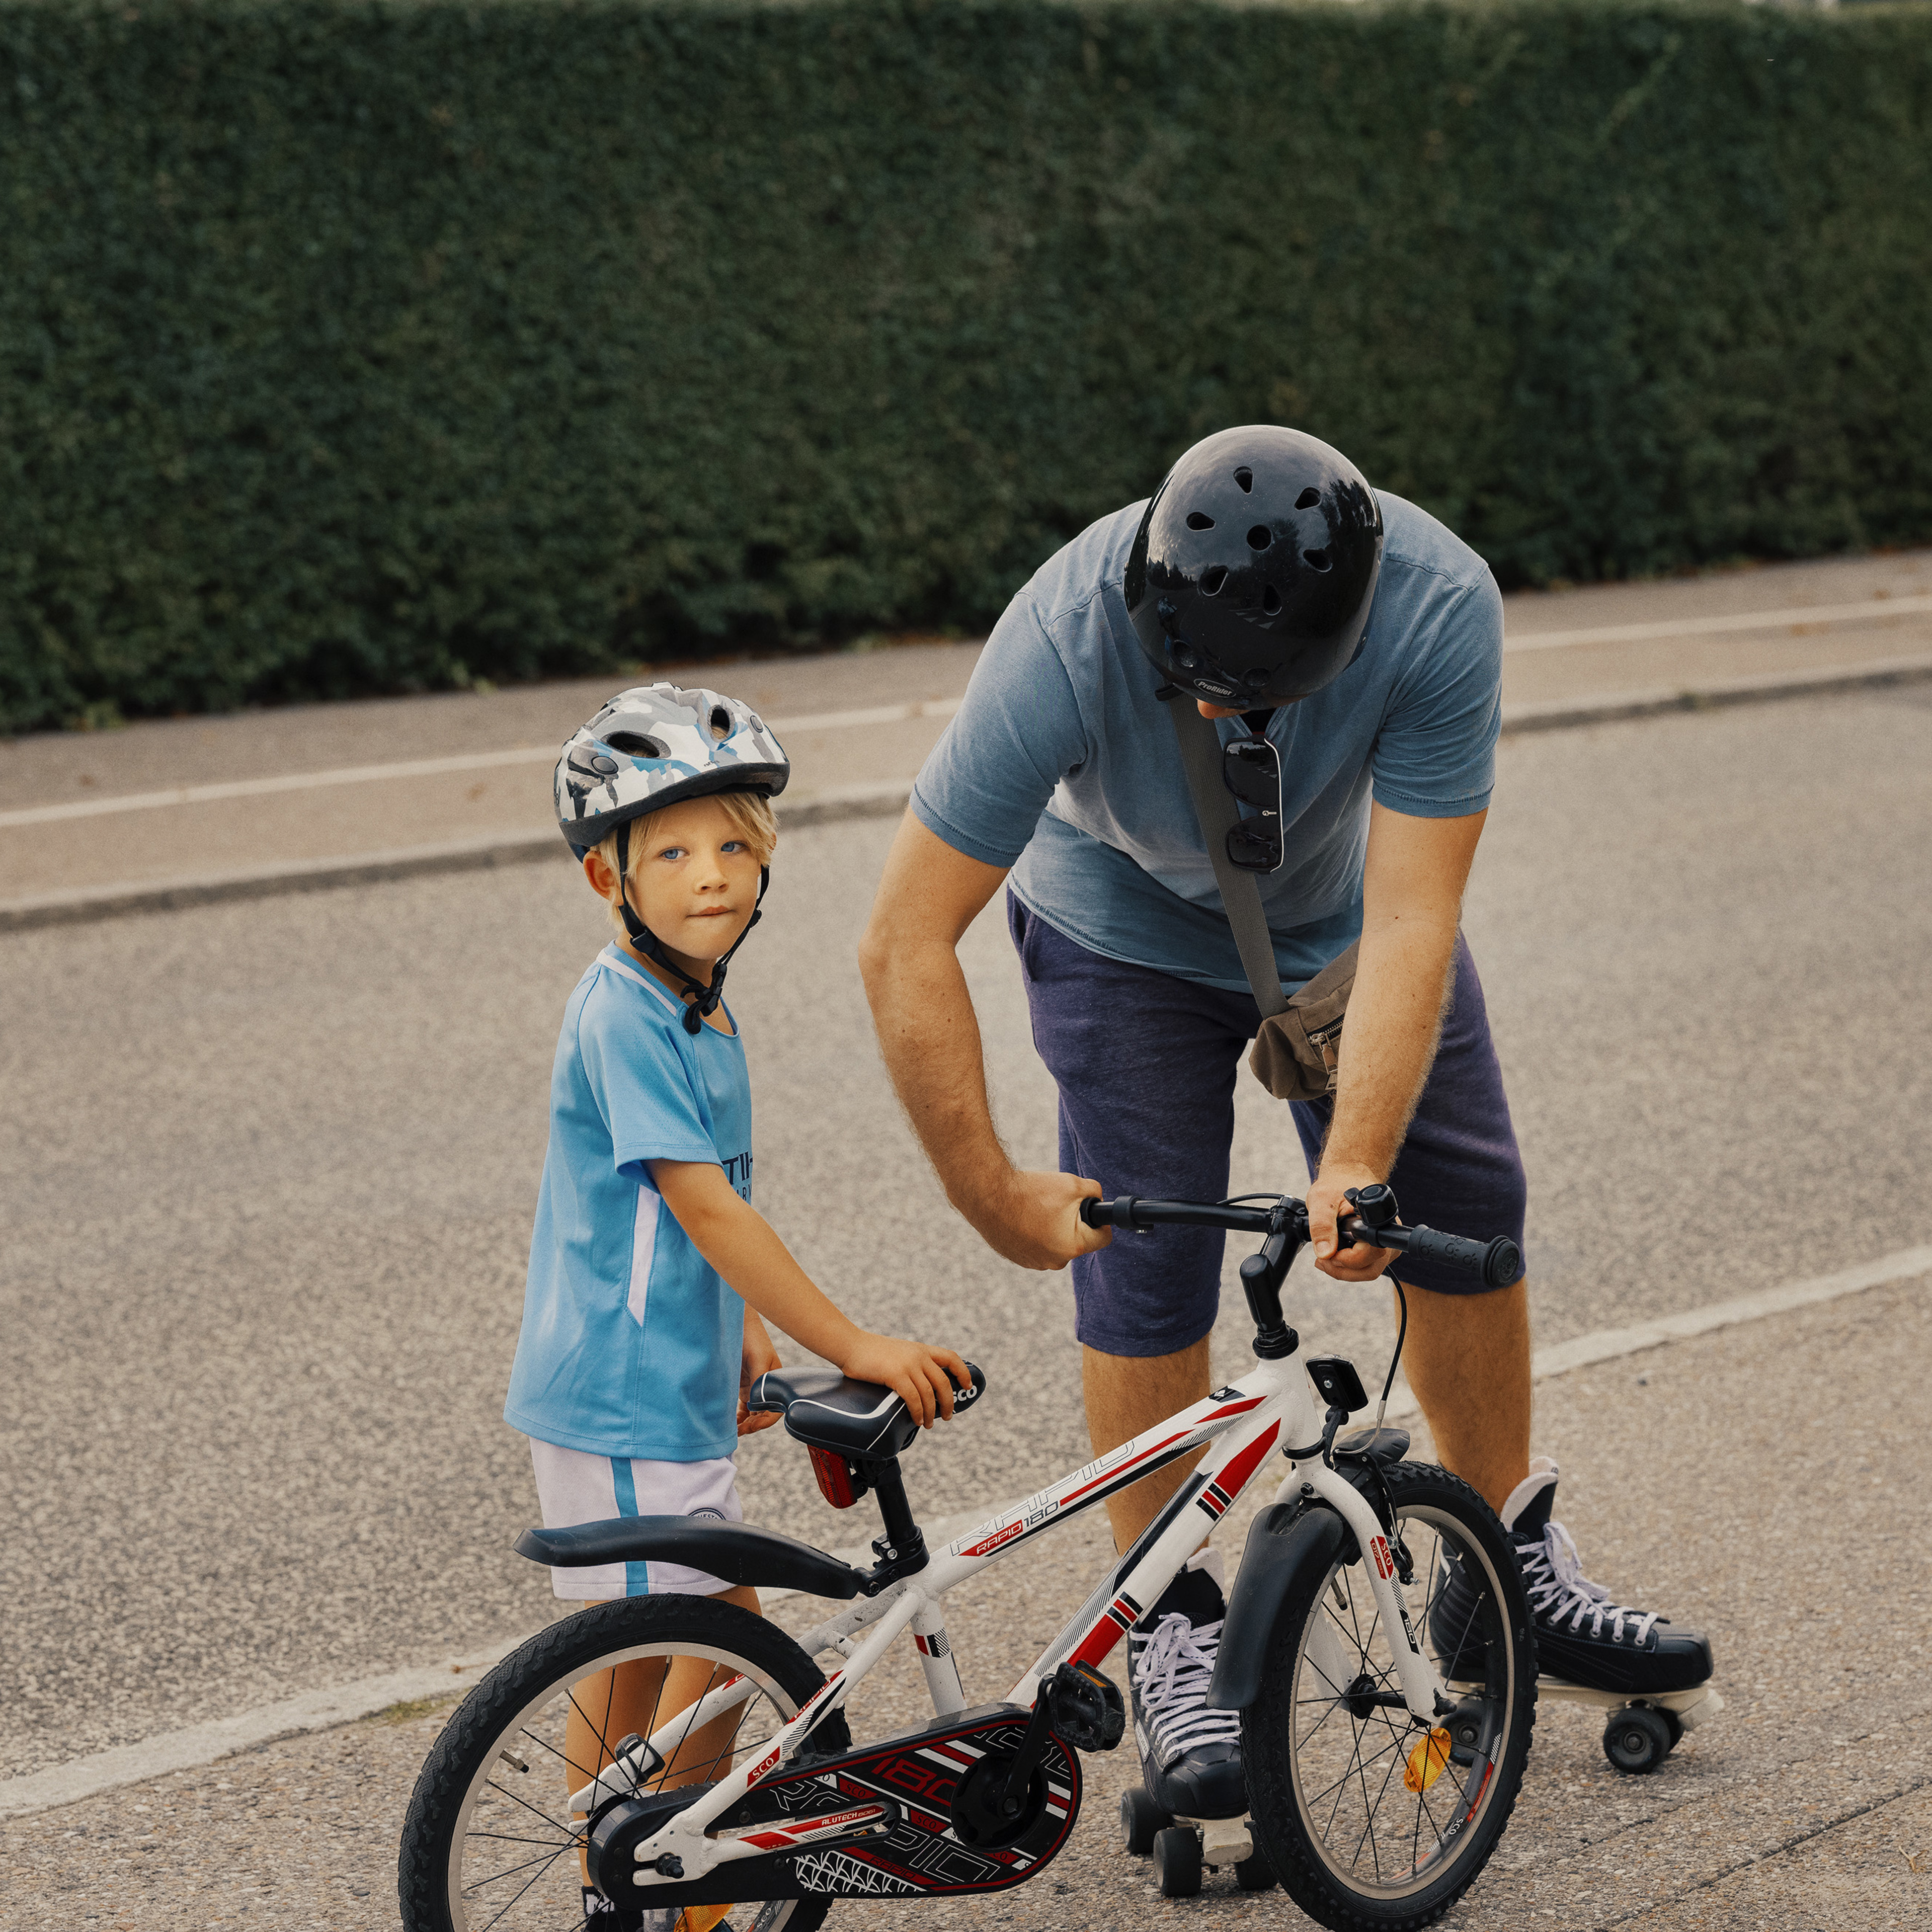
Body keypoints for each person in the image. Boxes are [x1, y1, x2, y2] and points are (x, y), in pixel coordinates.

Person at [859, 426, 1712, 1824]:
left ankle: (1495, 1566)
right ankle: (1173, 1621)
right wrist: (995, 1192)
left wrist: (1360, 1153)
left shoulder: (1438, 606)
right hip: (1117, 927)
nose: (1207, 718)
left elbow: (1421, 906)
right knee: (1142, 1262)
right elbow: (902, 939)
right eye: (1186, 685)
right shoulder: (1068, 631)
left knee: (1461, 1221)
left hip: (1343, 928)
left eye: (1240, 700)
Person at [506, 682, 969, 1925]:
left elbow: (684, 1206)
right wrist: (851, 1342)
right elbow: (709, 1208)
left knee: (647, 1645)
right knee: (717, 1642)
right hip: (620, 1391)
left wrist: (745, 1327)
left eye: (733, 848)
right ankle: (670, 1885)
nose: (710, 875)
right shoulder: (628, 1014)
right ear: (609, 879)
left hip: (658, 1377)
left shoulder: (694, 1005)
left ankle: (624, 1873)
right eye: (672, 852)